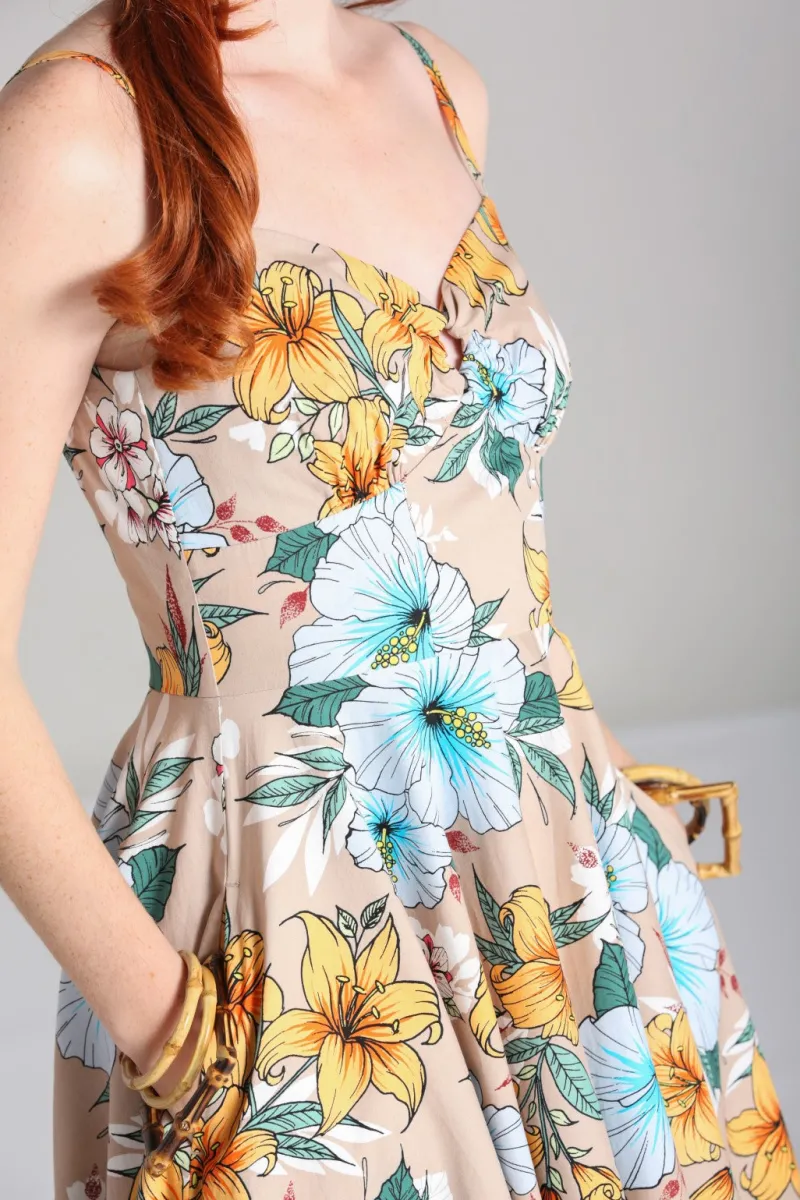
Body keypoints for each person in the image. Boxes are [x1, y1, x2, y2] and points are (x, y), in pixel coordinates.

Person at [0, 1, 796, 1198]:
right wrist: (168, 1030)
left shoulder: (434, 81)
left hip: (561, 869)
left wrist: (619, 803)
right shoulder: (75, 133)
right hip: (293, 918)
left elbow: (473, 517)